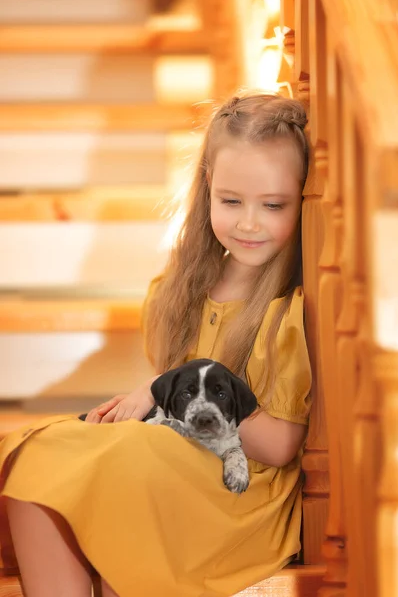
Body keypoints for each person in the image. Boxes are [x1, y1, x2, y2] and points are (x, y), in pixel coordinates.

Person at [0, 91, 312, 597]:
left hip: (237, 490)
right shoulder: (191, 283)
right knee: (36, 454)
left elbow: (279, 445)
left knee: (123, 463)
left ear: (301, 198)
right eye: (231, 201)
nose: (250, 222)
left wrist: (171, 385)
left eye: (273, 205)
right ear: (207, 186)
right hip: (177, 456)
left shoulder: (285, 307)